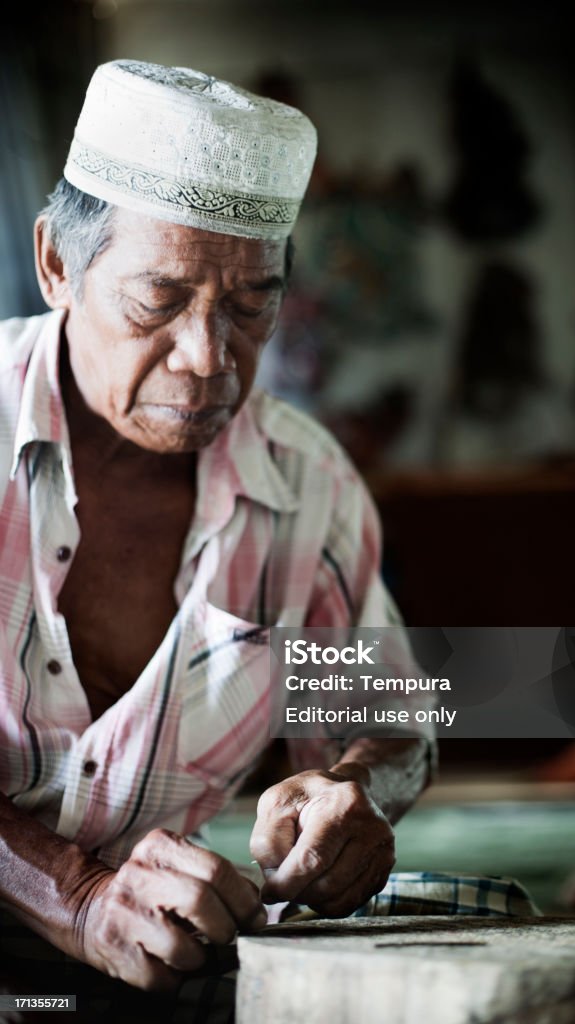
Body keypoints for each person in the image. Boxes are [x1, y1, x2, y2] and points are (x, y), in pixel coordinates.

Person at [0, 60, 433, 1001]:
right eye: (157, 300)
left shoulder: (307, 485)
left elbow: (386, 726)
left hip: (154, 974)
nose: (208, 359)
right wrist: (73, 897)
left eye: (250, 306)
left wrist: (349, 792)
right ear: (56, 264)